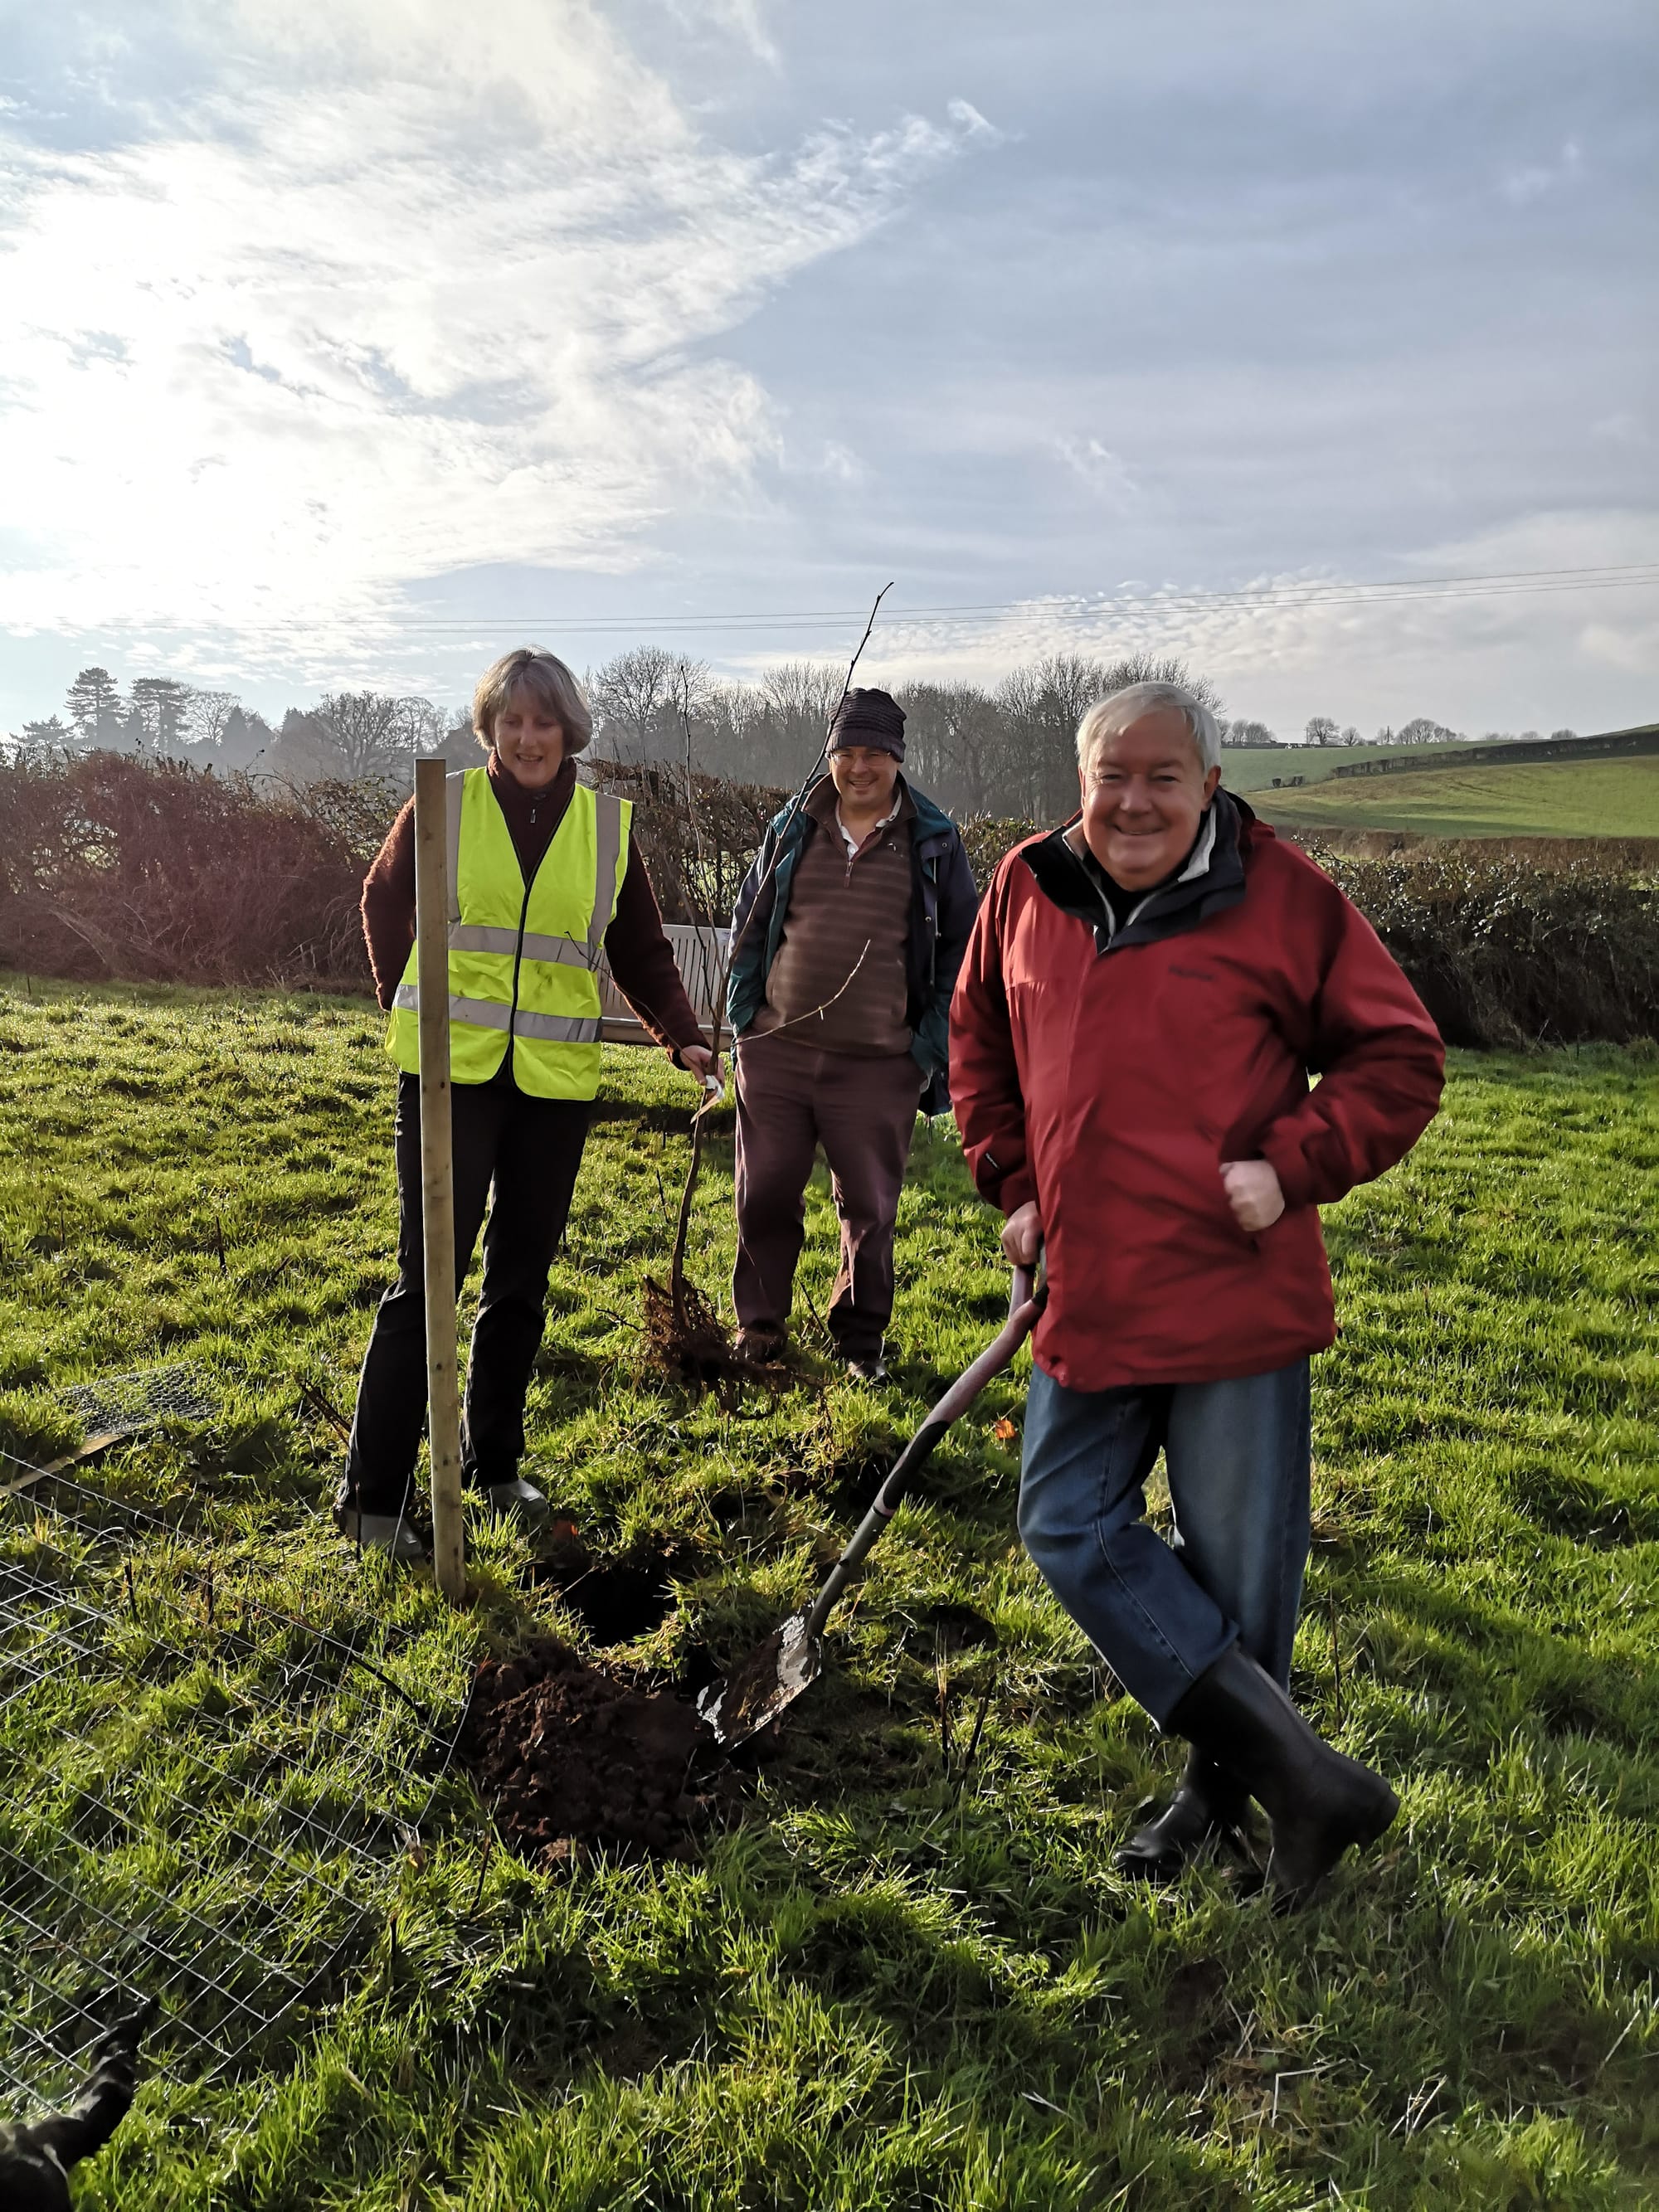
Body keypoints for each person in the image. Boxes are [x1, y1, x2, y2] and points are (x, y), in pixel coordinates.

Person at [950, 679, 1444, 1903]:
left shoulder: (1285, 898)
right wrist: (1009, 1177)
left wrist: (1293, 1164)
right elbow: (975, 1040)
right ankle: (1307, 1776)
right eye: (1112, 774)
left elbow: (1401, 1055)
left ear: (1210, 785)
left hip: (1236, 1300)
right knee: (1067, 1524)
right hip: (1090, 1289)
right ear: (1081, 781)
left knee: (1237, 1575)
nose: (1134, 799)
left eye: (1163, 776)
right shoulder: (1026, 884)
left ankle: (1223, 1796)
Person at [339, 647, 718, 1559]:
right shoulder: (444, 806)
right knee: (427, 1278)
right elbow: (383, 900)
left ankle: (493, 1468)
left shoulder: (605, 830)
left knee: (521, 1280)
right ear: (490, 728)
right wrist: (407, 1003)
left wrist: (684, 1036)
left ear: (568, 730)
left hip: (552, 1087)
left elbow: (639, 951)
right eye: (510, 720)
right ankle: (374, 1499)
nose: (527, 737)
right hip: (449, 1078)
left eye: (543, 721)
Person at [726, 687, 979, 1382]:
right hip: (777, 1052)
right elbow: (749, 926)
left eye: (874, 753)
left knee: (868, 1207)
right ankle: (760, 1326)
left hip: (877, 1065)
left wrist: (923, 1050)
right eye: (846, 752)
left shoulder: (935, 841)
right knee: (765, 1191)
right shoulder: (792, 827)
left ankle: (860, 1341)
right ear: (830, 755)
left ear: (897, 758)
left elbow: (963, 950)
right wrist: (745, 1021)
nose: (859, 767)